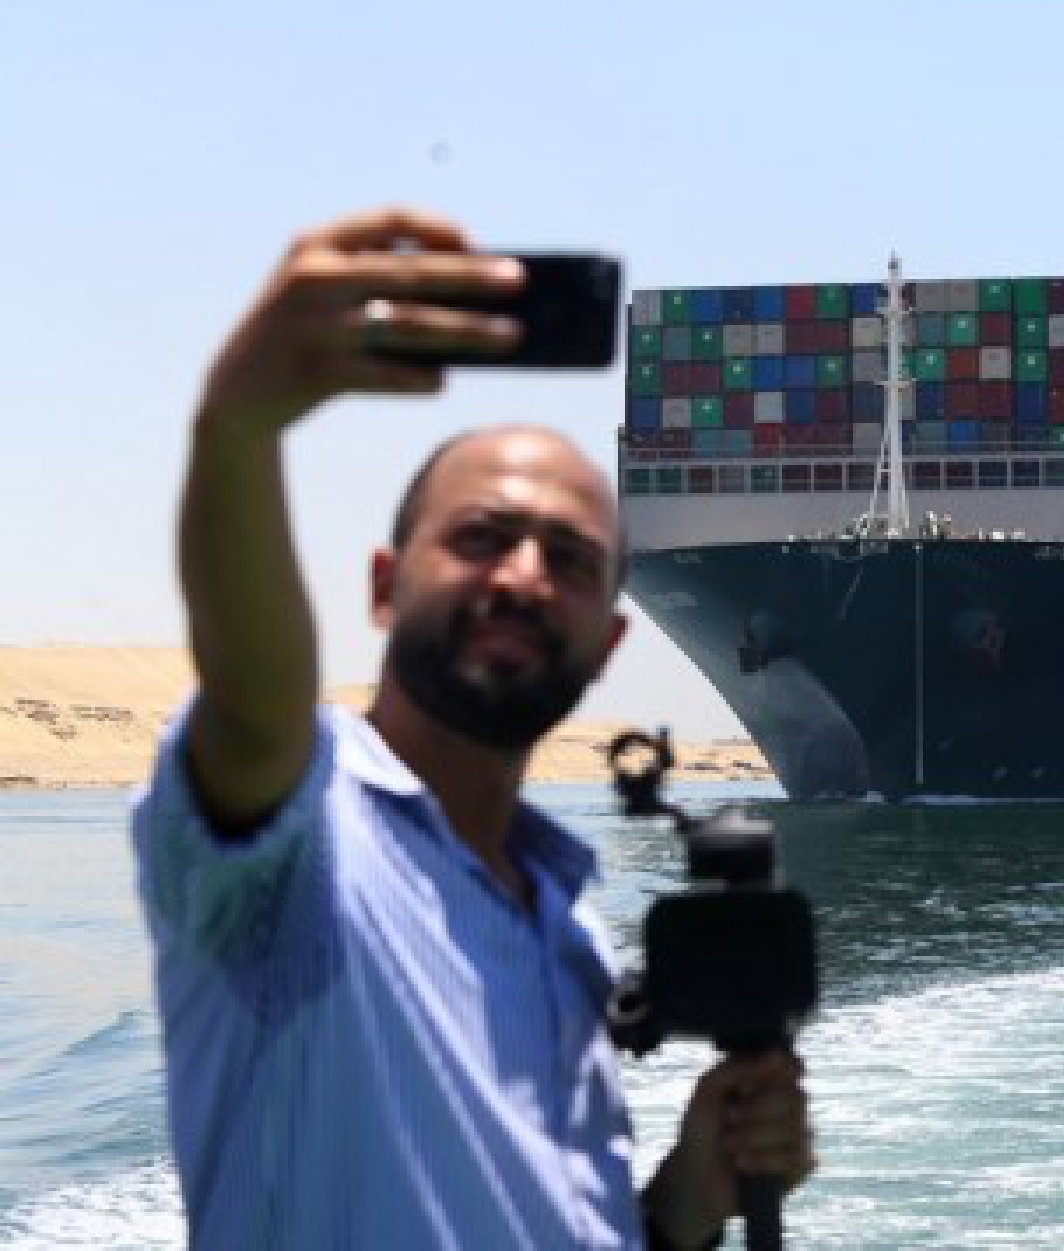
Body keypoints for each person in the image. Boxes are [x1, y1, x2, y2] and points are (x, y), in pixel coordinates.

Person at [132, 208, 812, 1249]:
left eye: (569, 558)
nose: (524, 576)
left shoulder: (567, 929)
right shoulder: (299, 847)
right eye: (482, 536)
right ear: (381, 587)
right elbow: (254, 702)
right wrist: (240, 425)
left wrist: (682, 1203)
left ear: (608, 641)